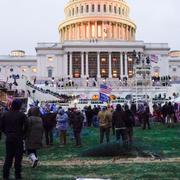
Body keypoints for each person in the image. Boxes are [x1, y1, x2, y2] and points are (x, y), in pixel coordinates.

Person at [0, 99, 28, 180]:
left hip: (9, 138)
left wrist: (7, 133)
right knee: (18, 158)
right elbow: (26, 126)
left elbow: (2, 127)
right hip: (18, 138)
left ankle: (5, 176)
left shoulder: (5, 114)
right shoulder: (22, 115)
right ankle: (17, 175)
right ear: (19, 105)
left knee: (8, 157)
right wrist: (23, 134)